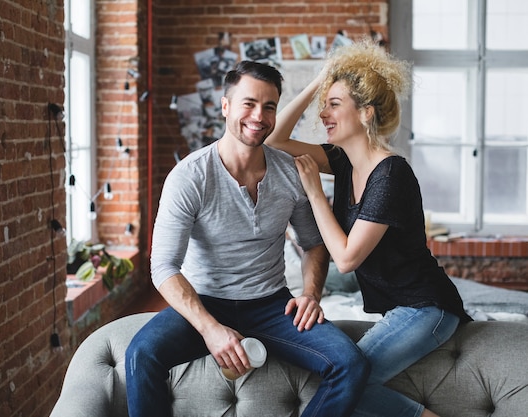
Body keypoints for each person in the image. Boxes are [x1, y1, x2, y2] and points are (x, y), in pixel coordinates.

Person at [125, 60, 369, 417]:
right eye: (249, 103)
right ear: (226, 107)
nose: (259, 116)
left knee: (351, 364)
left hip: (272, 305)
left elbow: (313, 243)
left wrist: (311, 294)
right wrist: (210, 330)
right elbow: (162, 265)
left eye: (269, 106)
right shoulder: (189, 176)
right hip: (206, 301)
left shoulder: (291, 171)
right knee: (140, 354)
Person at [266, 40, 472, 417]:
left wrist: (315, 193)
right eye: (324, 104)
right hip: (400, 310)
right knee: (343, 379)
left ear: (365, 113)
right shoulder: (344, 161)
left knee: (344, 379)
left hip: (428, 309)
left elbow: (345, 258)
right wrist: (320, 81)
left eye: (334, 104)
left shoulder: (391, 174)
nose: (323, 113)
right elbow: (274, 141)